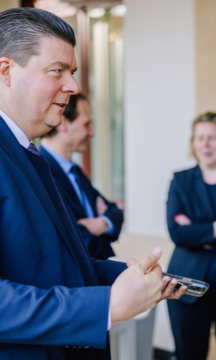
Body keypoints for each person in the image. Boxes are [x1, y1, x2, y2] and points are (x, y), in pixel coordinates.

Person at [0, 8, 185, 360]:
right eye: (58, 71)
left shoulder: (28, 152)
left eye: (72, 72)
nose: (73, 86)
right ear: (6, 71)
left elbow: (58, 262)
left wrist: (133, 277)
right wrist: (107, 306)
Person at [166, 112, 216, 360]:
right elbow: (178, 233)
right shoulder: (181, 181)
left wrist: (198, 231)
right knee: (189, 354)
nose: (205, 144)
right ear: (193, 143)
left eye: (212, 138)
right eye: (200, 138)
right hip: (186, 284)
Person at [39, 93, 123, 260]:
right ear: (63, 122)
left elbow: (116, 212)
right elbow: (72, 242)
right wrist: (102, 237)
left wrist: (100, 223)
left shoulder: (75, 170)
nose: (92, 133)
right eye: (86, 124)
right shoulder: (40, 172)